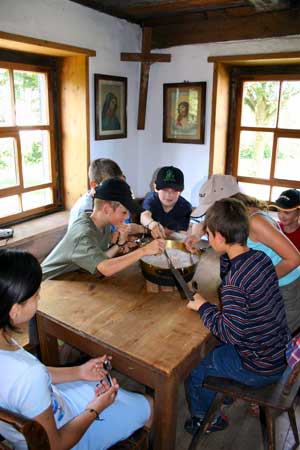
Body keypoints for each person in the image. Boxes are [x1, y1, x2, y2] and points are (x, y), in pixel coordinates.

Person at [0, 249, 153, 450]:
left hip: (50, 408)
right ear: (15, 310)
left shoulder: (6, 344)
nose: (39, 298)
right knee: (150, 405)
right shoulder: (27, 374)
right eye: (36, 295)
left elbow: (32, 381)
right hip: (64, 437)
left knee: (99, 383)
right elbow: (55, 445)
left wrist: (79, 372)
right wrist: (95, 408)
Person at [184, 198, 290, 435]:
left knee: (198, 369)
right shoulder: (259, 259)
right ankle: (226, 391)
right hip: (277, 351)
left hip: (259, 365)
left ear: (220, 237)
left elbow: (229, 333)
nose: (208, 240)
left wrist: (202, 306)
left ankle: (204, 419)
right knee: (216, 352)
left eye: (209, 235)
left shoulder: (235, 283)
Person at [186, 174, 300, 333]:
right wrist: (198, 234)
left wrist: (258, 283)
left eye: (212, 208)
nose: (211, 214)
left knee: (280, 340)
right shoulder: (238, 215)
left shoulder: (255, 221)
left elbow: (294, 258)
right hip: (268, 285)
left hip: (285, 288)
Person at [42, 177, 165, 281]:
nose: (127, 216)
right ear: (107, 209)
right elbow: (106, 268)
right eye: (124, 212)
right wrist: (144, 251)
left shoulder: (102, 224)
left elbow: (101, 257)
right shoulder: (83, 234)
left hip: (69, 280)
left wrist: (119, 244)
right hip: (42, 286)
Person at [142, 166, 192, 235]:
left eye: (174, 190)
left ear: (181, 191)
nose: (169, 194)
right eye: (165, 190)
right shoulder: (152, 199)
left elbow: (183, 233)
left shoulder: (185, 207)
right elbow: (144, 215)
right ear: (155, 187)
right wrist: (153, 225)